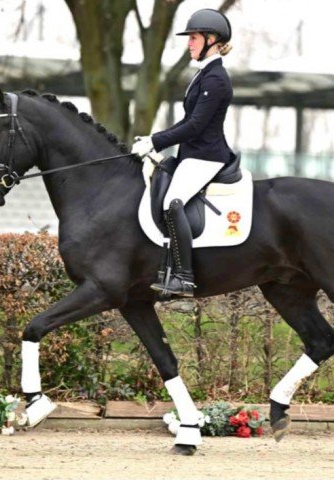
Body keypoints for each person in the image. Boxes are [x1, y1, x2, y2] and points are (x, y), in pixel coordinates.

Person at [131, 8, 235, 297]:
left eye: (193, 38)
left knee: (172, 202)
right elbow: (188, 121)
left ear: (211, 39)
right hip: (193, 154)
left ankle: (184, 278)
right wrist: (154, 138)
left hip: (206, 156)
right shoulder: (204, 75)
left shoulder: (215, 79)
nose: (189, 43)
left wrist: (156, 142)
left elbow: (195, 126)